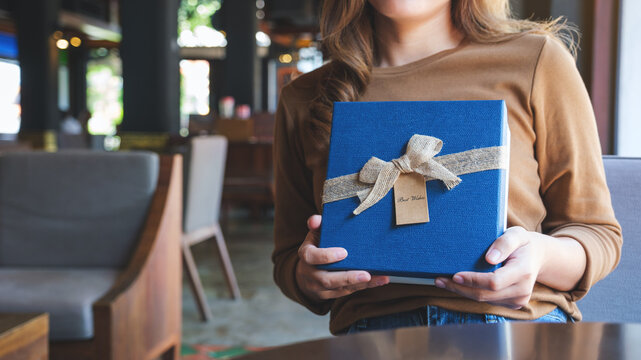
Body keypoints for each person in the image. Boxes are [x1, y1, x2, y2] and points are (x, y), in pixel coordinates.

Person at [272, 0, 622, 335]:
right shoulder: (304, 97)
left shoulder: (537, 61)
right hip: (372, 337)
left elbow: (597, 233)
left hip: (517, 328)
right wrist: (307, 276)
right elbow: (288, 258)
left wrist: (541, 257)